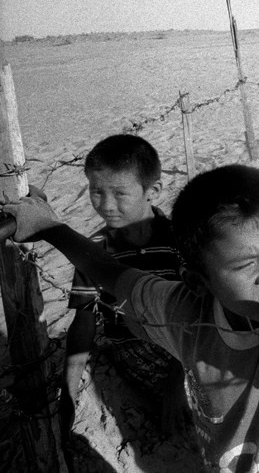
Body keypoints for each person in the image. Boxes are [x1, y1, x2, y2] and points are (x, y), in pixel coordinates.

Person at [4, 164, 259, 472]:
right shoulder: (184, 313)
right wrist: (49, 228)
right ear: (196, 280)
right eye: (247, 264)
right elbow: (111, 272)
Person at [61, 134, 189, 441]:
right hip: (133, 346)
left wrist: (176, 381)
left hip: (185, 343)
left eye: (120, 194)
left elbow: (197, 312)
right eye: (96, 192)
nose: (106, 206)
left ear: (153, 190)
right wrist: (68, 392)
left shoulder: (178, 239)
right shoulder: (94, 249)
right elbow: (85, 319)